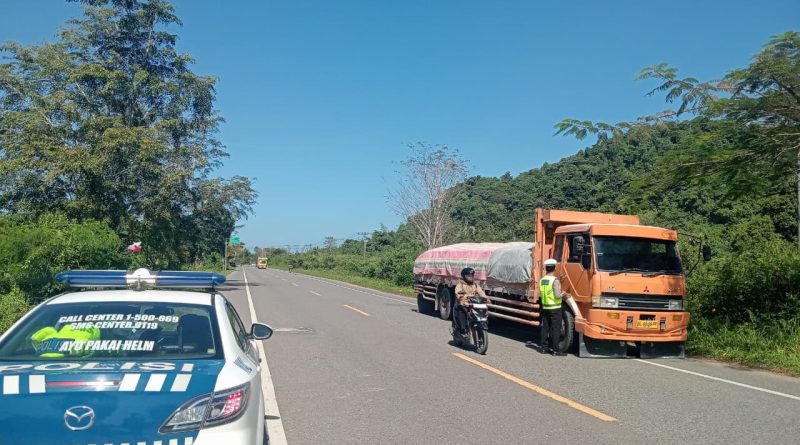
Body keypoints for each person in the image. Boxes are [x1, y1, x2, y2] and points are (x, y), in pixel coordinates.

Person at [537, 258, 575, 356]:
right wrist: (564, 293)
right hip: (555, 308)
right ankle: (555, 350)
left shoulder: (542, 280)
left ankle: (543, 348)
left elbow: (546, 292)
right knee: (556, 328)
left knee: (545, 328)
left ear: (546, 268)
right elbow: (557, 296)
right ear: (554, 268)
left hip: (545, 307)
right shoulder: (555, 280)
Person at [453, 267, 490, 336]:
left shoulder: (475, 285)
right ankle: (462, 330)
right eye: (469, 276)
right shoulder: (460, 284)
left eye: (472, 275)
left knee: (482, 312)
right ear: (464, 276)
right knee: (462, 312)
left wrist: (486, 298)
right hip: (463, 304)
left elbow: (481, 292)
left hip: (473, 304)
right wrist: (462, 297)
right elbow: (458, 293)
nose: (471, 277)